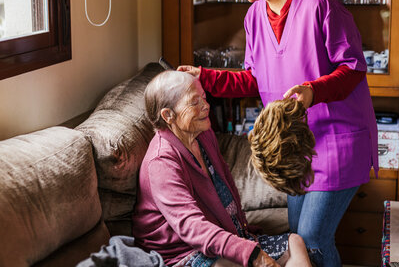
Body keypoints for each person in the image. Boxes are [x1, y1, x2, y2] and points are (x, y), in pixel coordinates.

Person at [178, 0, 378, 267]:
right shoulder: (255, 16)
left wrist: (312, 91)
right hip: (294, 149)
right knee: (298, 236)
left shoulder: (322, 6)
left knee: (313, 241)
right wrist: (204, 77)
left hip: (336, 143)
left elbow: (354, 68)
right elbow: (255, 80)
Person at [132, 70, 312, 267]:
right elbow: (193, 228)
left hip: (223, 236)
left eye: (203, 97)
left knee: (295, 242)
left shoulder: (203, 133)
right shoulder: (161, 163)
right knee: (227, 264)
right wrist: (254, 255)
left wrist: (243, 231)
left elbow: (227, 185)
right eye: (194, 102)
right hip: (183, 253)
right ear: (168, 115)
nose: (206, 106)